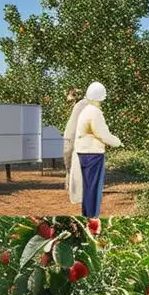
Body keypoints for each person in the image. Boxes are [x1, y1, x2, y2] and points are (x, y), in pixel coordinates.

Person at [64, 82, 122, 217]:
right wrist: (117, 142)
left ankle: (87, 214)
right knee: (93, 188)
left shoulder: (84, 110)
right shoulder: (94, 112)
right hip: (93, 154)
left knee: (88, 187)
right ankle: (91, 216)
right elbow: (102, 134)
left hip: (82, 152)